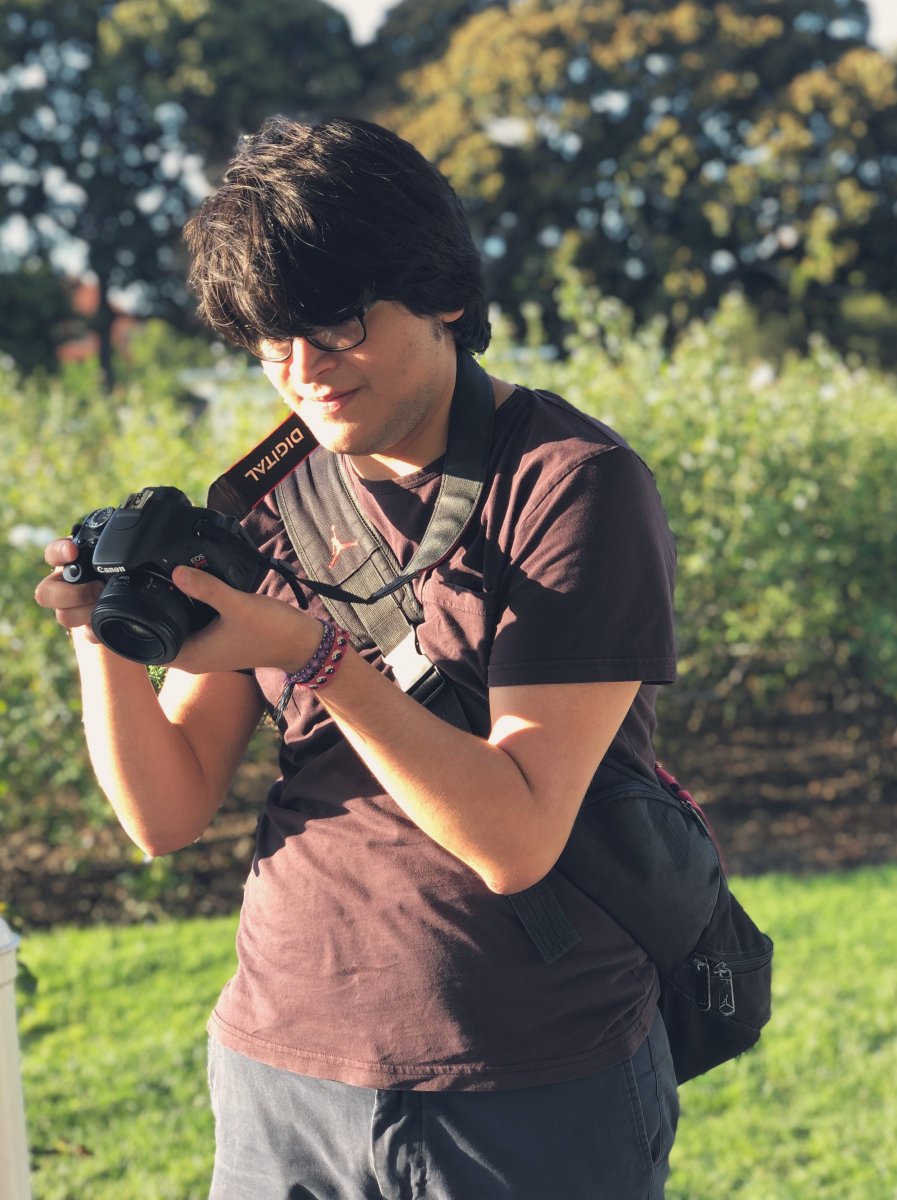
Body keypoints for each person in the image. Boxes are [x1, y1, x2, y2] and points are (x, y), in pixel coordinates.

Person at [36, 116, 680, 1199]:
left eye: (333, 327)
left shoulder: (569, 481)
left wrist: (317, 654)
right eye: (267, 344)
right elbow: (166, 811)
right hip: (282, 1062)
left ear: (443, 295)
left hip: (526, 1071)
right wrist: (105, 636)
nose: (302, 373)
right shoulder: (271, 500)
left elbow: (515, 836)